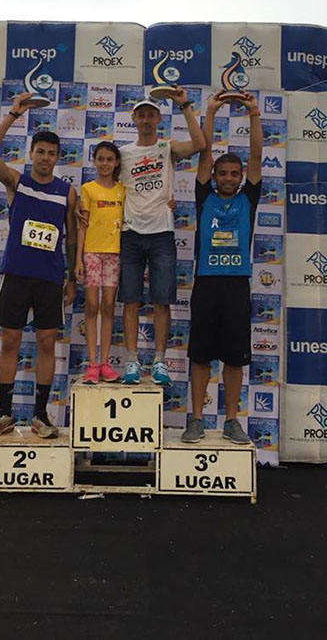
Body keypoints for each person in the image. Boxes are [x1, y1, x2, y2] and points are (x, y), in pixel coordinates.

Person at [0, 91, 77, 440]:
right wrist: (12, 116)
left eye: (52, 153)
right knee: (10, 341)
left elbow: (72, 236)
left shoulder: (67, 191)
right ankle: (3, 414)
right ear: (31, 153)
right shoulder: (18, 181)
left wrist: (72, 277)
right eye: (40, 152)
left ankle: (40, 416)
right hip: (17, 274)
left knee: (47, 344)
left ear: (57, 158)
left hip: (50, 278)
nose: (46, 158)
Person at [181, 90, 262, 444]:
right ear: (213, 176)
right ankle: (196, 419)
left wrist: (255, 115)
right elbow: (205, 151)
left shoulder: (249, 198)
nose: (228, 178)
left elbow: (257, 153)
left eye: (234, 174)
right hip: (207, 284)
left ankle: (231, 420)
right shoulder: (204, 197)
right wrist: (210, 112)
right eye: (222, 174)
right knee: (200, 356)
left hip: (236, 286)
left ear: (241, 177)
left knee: (233, 359)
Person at [117, 89, 205, 386]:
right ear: (133, 119)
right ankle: (131, 361)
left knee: (161, 301)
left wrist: (184, 105)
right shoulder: (123, 153)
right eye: (140, 115)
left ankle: (159, 361)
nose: (145, 119)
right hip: (129, 232)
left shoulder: (167, 148)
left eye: (150, 115)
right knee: (130, 300)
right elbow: (107, 186)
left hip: (162, 233)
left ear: (158, 119)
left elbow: (200, 143)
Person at [75, 141, 124, 384]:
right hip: (92, 253)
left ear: (116, 163)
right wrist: (78, 260)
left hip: (114, 254)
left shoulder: (122, 190)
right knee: (92, 306)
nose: (105, 164)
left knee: (108, 306)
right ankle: (92, 363)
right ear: (94, 161)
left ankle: (105, 362)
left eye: (110, 159)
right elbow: (81, 226)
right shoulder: (87, 189)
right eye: (101, 159)